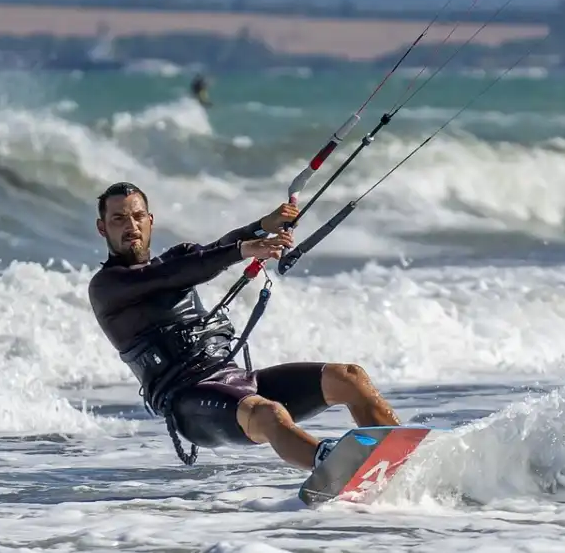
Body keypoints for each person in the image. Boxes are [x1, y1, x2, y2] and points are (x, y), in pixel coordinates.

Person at [87, 181, 402, 470]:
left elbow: (208, 253)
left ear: (150, 220)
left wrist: (262, 227)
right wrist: (243, 251)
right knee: (269, 414)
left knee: (348, 377)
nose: (131, 226)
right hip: (188, 400)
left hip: (235, 380)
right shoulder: (107, 287)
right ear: (102, 229)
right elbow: (174, 275)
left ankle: (402, 456)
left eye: (138, 216)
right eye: (119, 219)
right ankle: (335, 468)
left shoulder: (176, 259)